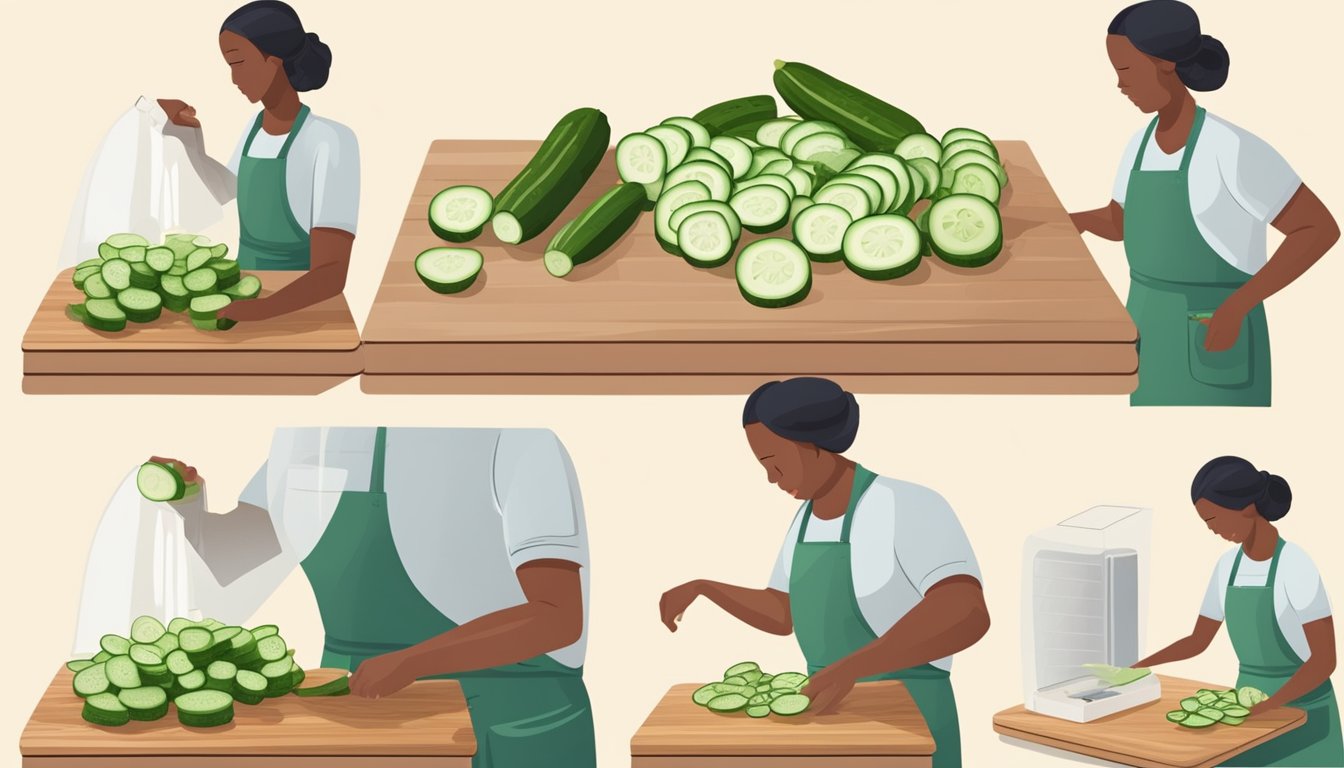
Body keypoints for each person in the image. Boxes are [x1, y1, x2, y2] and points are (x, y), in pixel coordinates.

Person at [74, 427, 597, 768]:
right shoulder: (308, 437)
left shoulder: (514, 438)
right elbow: (236, 556)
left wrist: (416, 660)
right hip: (359, 713)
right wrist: (187, 503)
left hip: (518, 720)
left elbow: (556, 617)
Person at [658, 378, 990, 768]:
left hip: (910, 722)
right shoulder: (804, 520)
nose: (770, 477)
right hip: (830, 717)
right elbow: (785, 612)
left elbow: (965, 612)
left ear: (814, 447)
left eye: (773, 461)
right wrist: (705, 588)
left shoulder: (907, 504)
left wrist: (852, 668)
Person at [1070, 0, 1338, 407]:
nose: (1119, 85)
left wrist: (1237, 307)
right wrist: (1076, 221)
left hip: (1214, 335)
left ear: (1165, 65)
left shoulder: (1231, 148)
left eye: (1125, 71)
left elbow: (1318, 229)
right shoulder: (1138, 146)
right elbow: (1121, 222)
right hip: (1145, 330)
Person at [160, 1, 360, 323]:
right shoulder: (254, 129)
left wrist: (264, 309)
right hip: (244, 297)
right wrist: (186, 136)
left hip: (301, 311)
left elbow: (332, 273)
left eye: (238, 62)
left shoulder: (331, 141)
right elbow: (224, 191)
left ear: (274, 61)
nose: (233, 78)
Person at [1137, 457, 1342, 766]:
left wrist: (1270, 706)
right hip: (1249, 713)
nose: (1211, 529)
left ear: (1246, 507)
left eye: (1214, 519)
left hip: (1305, 714)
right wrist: (1138, 667)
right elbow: (1198, 640)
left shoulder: (1296, 565)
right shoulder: (1226, 567)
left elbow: (1325, 660)